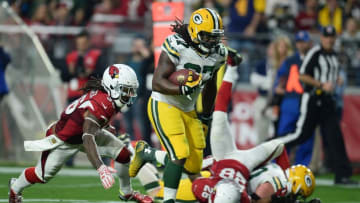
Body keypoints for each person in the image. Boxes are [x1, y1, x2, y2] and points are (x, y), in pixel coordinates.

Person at [130, 60, 289, 202]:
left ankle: (145, 154)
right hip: (219, 168)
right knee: (177, 170)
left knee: (185, 164)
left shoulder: (267, 179)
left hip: (220, 166)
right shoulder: (265, 184)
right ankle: (143, 153)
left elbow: (277, 150)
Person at [8, 64, 153, 203]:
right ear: (113, 88)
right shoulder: (102, 103)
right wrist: (100, 167)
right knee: (42, 175)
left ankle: (126, 192)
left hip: (86, 132)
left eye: (131, 90)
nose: (130, 95)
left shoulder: (107, 97)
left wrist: (105, 125)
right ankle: (15, 189)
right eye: (126, 90)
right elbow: (87, 136)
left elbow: (88, 120)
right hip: (64, 140)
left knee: (123, 154)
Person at [129, 8, 229, 203]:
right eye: (207, 36)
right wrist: (182, 90)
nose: (212, 41)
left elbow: (209, 88)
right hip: (165, 103)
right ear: (194, 32)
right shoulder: (178, 45)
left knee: (194, 164)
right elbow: (157, 82)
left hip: (189, 108)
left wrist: (206, 116)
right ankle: (168, 200)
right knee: (179, 153)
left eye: (215, 37)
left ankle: (147, 154)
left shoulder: (219, 53)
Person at [277, 26, 357, 185]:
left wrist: (336, 81)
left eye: (332, 36)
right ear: (322, 38)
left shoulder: (334, 56)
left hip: (328, 101)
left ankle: (342, 175)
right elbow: (302, 76)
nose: (329, 39)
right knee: (301, 134)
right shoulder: (315, 53)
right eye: (326, 37)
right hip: (313, 99)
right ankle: (270, 146)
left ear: (335, 38)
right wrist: (320, 84)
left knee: (336, 138)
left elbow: (331, 77)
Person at [275, 31, 314, 166]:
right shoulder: (290, 60)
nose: (301, 44)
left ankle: (302, 166)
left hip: (307, 101)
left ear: (309, 43)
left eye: (303, 41)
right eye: (299, 42)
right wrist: (279, 88)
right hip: (291, 100)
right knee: (284, 135)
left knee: (306, 136)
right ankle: (279, 166)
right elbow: (279, 82)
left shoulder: (314, 58)